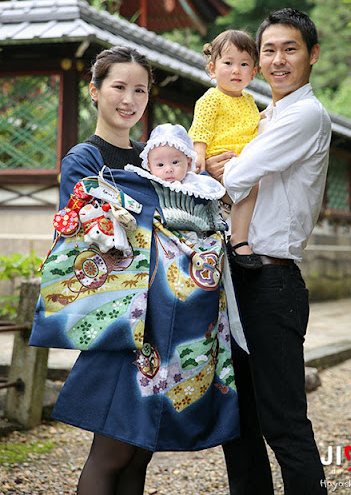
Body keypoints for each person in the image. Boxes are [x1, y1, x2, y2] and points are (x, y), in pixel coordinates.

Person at [30, 46, 240, 495]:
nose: (129, 99)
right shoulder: (83, 161)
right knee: (111, 451)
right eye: (118, 87)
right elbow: (90, 235)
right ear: (95, 90)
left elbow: (196, 217)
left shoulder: (159, 159)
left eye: (140, 90)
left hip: (164, 326)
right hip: (122, 324)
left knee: (140, 449)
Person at [207, 8, 331, 494]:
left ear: (312, 54)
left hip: (271, 279)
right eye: (269, 51)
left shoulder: (303, 114)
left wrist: (227, 165)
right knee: (238, 424)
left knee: (283, 423)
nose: (278, 60)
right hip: (235, 275)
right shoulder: (267, 114)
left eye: (290, 49)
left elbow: (234, 178)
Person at [188, 30, 262, 269]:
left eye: (244, 64)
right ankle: (239, 241)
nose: (236, 70)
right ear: (212, 68)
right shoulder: (212, 98)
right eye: (228, 63)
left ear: (254, 71)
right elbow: (201, 128)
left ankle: (231, 229)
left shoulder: (249, 101)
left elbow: (251, 125)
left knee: (251, 187)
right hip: (221, 161)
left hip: (242, 161)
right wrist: (199, 154)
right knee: (251, 187)